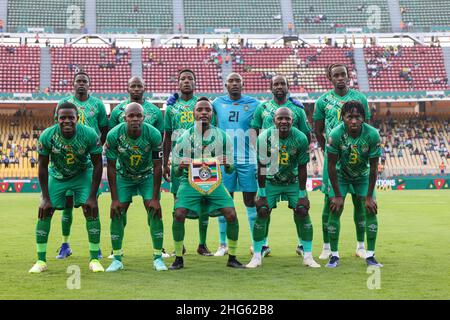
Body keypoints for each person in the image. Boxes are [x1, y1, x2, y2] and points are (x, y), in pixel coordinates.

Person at [169, 97, 245, 270]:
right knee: (179, 214)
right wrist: (180, 165)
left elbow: (232, 168)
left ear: (212, 114)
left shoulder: (222, 136)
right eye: (200, 110)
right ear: (193, 113)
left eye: (207, 110)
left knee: (231, 214)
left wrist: (228, 163)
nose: (204, 113)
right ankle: (178, 258)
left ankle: (232, 257)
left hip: (214, 183)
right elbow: (175, 170)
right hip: (190, 183)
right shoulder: (184, 137)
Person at [29, 102, 104, 273]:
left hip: (82, 174)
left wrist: (92, 196)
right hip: (57, 176)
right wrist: (45, 198)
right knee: (45, 211)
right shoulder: (47, 136)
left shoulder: (89, 134)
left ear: (77, 118)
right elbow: (42, 167)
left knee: (91, 209)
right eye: (63, 117)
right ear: (57, 119)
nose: (67, 121)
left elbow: (98, 164)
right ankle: (40, 261)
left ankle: (94, 259)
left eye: (71, 117)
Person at [246, 108, 320, 268]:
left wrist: (302, 194)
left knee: (302, 210)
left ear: (292, 121)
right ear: (274, 121)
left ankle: (308, 256)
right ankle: (257, 256)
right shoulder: (264, 137)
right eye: (280, 118)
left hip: (292, 181)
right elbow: (261, 166)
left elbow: (302, 167)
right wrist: (263, 194)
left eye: (287, 119)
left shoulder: (300, 138)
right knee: (262, 210)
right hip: (271, 181)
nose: (284, 121)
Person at [313, 63, 371, 261]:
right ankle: (327, 247)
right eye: (336, 75)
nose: (340, 78)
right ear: (330, 78)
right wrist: (328, 150)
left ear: (348, 76)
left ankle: (361, 246)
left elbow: (368, 127)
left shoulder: (360, 98)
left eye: (343, 75)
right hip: (335, 161)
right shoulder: (323, 101)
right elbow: (317, 129)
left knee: (360, 202)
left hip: (357, 159)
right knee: (329, 203)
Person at [251, 74, 312, 257]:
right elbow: (254, 130)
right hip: (269, 167)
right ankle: (263, 245)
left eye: (282, 84)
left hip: (291, 165)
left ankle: (303, 245)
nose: (279, 87)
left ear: (287, 86)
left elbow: (306, 136)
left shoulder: (298, 109)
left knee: (300, 208)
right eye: (276, 84)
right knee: (263, 208)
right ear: (271, 87)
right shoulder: (262, 107)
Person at [105, 103, 167, 272]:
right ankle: (116, 258)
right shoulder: (114, 135)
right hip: (124, 177)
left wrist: (155, 198)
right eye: (131, 116)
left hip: (146, 176)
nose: (135, 119)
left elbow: (157, 166)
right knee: (117, 212)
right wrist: (114, 199)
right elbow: (110, 167)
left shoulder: (153, 134)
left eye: (138, 116)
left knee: (154, 210)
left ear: (143, 117)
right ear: (125, 118)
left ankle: (158, 257)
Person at [55, 72, 108, 260]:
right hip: (68, 160)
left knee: (91, 205)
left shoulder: (98, 105)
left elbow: (104, 129)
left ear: (89, 84)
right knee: (67, 205)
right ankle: (65, 244)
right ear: (73, 84)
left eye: (85, 81)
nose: (81, 84)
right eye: (78, 81)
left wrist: (96, 147)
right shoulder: (64, 104)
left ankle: (96, 247)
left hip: (88, 160)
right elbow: (58, 127)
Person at [326, 100, 382, 268]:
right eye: (350, 116)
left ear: (363, 118)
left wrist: (370, 196)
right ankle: (334, 255)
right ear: (342, 117)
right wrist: (337, 195)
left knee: (370, 209)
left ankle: (370, 255)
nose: (354, 121)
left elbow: (373, 169)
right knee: (335, 208)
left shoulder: (372, 134)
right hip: (341, 175)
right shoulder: (335, 134)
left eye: (358, 117)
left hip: (363, 176)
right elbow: (330, 166)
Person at [163, 69, 212, 256]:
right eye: (183, 78)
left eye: (190, 78)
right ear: (178, 83)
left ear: (195, 82)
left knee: (204, 200)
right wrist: (166, 162)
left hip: (202, 159)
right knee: (177, 202)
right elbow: (167, 136)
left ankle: (202, 243)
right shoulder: (172, 107)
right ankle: (179, 244)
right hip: (179, 161)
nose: (186, 81)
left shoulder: (202, 104)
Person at [212, 73, 259, 256]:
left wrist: (291, 102)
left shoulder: (255, 104)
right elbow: (199, 107)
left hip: (248, 160)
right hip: (225, 160)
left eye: (237, 81)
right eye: (231, 81)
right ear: (225, 84)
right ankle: (223, 244)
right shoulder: (217, 103)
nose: (234, 84)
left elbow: (271, 112)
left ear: (243, 84)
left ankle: (258, 243)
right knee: (225, 201)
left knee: (250, 202)